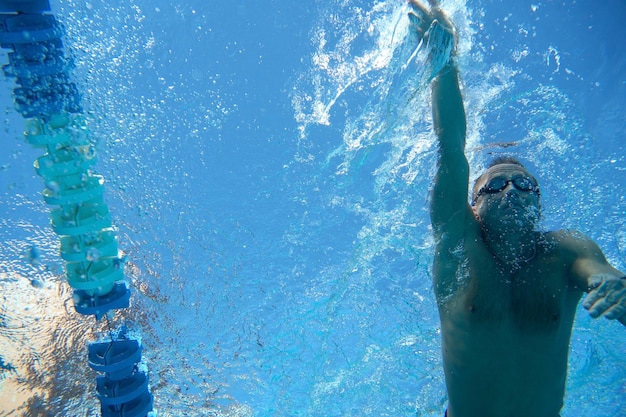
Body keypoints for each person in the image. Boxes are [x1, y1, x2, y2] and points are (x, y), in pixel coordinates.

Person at [408, 1, 626, 416]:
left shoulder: (565, 253)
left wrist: (620, 286)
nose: (513, 192)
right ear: (472, 205)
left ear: (539, 205)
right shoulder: (459, 241)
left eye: (525, 185)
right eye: (497, 185)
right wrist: (444, 63)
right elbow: (451, 152)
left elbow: (602, 276)